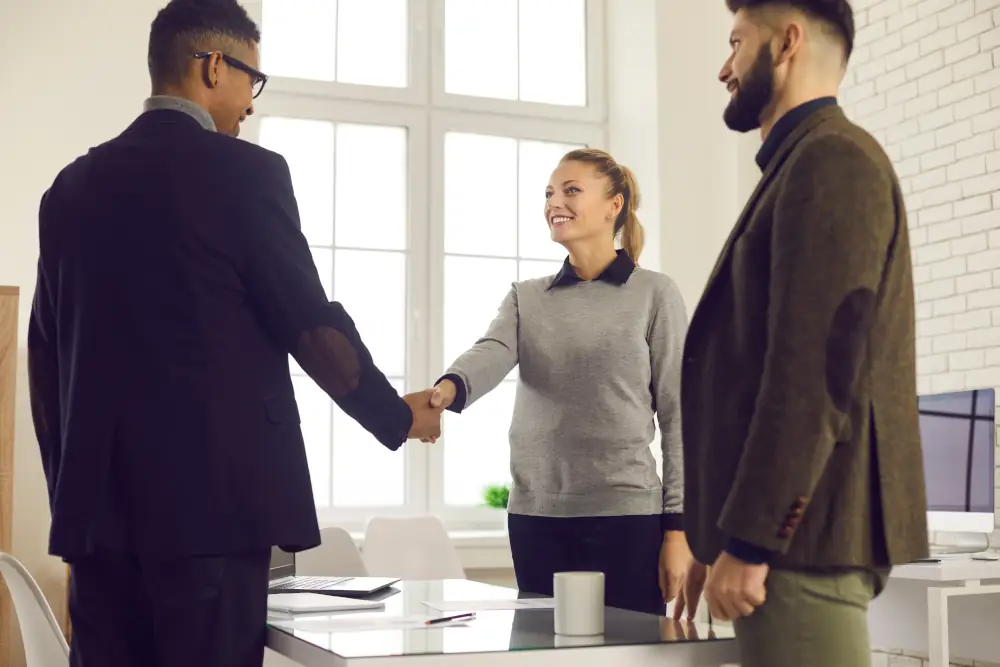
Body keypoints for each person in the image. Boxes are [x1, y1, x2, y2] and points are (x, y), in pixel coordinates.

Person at [26, 1, 442, 666]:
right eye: (253, 78)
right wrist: (396, 417)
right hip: (212, 518)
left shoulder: (70, 189)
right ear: (214, 65)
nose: (251, 102)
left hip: (98, 523)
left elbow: (45, 355)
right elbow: (311, 326)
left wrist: (75, 494)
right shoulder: (246, 175)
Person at [674, 1, 928, 665]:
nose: (723, 68)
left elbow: (813, 373)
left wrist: (751, 541)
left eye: (737, 42)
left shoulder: (832, 162)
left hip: (799, 548)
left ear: (786, 43)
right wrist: (720, 540)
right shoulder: (805, 163)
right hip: (788, 550)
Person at [426, 148, 692, 616]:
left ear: (615, 205)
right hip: (536, 517)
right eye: (549, 193)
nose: (554, 202)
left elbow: (679, 415)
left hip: (627, 518)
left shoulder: (655, 293)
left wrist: (678, 529)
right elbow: (491, 352)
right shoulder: (527, 297)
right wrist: (445, 390)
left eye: (571, 190)